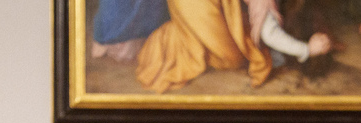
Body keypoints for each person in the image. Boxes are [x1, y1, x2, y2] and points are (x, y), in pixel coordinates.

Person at [136, 0, 332, 92]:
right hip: (202, 18)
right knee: (235, 56)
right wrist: (307, 49)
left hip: (201, 15)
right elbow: (270, 34)